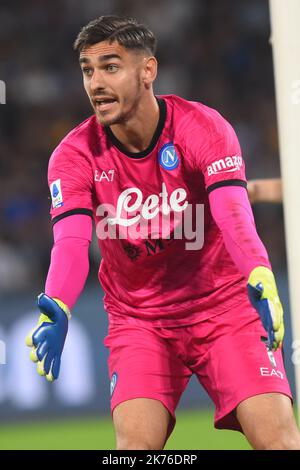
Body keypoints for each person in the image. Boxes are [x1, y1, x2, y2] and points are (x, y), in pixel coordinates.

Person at [25, 16, 300, 450]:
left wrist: (260, 273)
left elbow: (233, 214)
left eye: (110, 67)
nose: (96, 82)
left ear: (147, 71)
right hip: (140, 321)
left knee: (279, 441)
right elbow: (73, 242)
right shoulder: (73, 155)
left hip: (224, 307)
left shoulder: (202, 128)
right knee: (134, 450)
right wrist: (57, 301)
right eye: (87, 70)